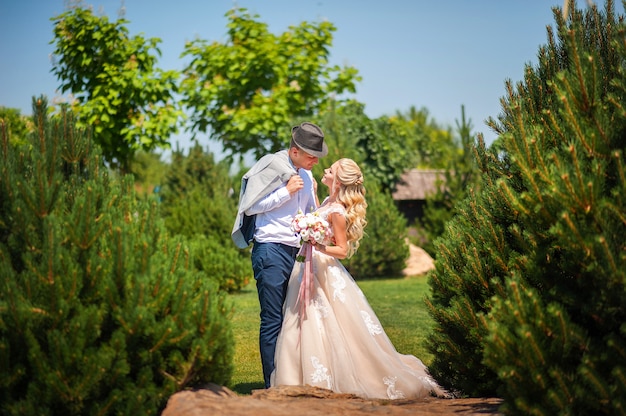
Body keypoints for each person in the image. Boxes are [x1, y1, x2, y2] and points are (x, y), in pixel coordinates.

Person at [270, 158, 447, 399]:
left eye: (330, 170)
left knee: (322, 321)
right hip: (307, 266)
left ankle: (330, 378)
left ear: (338, 180)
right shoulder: (326, 202)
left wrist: (317, 245)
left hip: (323, 268)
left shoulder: (338, 211)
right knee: (300, 320)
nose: (325, 170)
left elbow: (342, 250)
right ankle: (295, 377)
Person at [231, 121, 328, 388]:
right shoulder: (271, 166)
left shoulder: (308, 177)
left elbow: (309, 210)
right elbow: (251, 207)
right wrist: (285, 192)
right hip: (270, 250)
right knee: (273, 318)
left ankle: (291, 379)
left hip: (297, 252)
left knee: (295, 318)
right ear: (295, 151)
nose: (314, 162)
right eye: (311, 156)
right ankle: (272, 385)